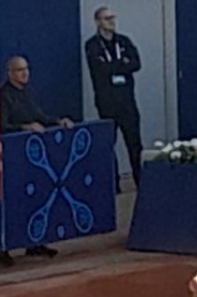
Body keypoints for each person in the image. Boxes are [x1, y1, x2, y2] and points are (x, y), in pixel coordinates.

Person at [0, 56, 75, 265]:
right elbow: (2, 126)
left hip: (34, 159)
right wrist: (25, 128)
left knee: (36, 199)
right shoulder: (3, 96)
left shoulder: (28, 93)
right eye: (20, 70)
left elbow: (39, 117)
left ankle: (34, 242)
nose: (25, 73)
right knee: (13, 203)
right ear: (10, 73)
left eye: (27, 69)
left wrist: (59, 121)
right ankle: (3, 249)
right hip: (13, 160)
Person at [85, 6, 143, 188]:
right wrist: (121, 64)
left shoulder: (124, 41)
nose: (111, 21)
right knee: (108, 145)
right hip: (107, 103)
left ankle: (140, 181)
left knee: (135, 144)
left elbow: (136, 63)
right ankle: (114, 184)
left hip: (127, 102)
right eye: (106, 18)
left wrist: (113, 65)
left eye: (112, 17)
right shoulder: (92, 45)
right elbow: (100, 70)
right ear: (97, 22)